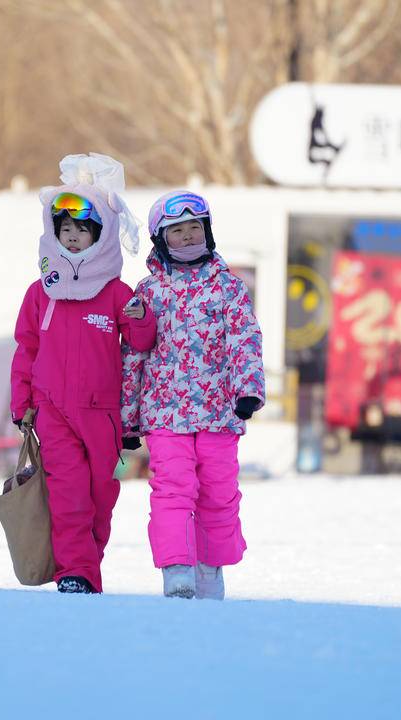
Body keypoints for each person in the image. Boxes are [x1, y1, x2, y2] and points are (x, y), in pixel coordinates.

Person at [10, 153, 156, 595]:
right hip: (53, 413)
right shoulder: (41, 294)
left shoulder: (115, 293)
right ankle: (75, 574)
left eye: (83, 231)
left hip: (103, 417)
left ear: (100, 236)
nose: (73, 238)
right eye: (66, 230)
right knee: (69, 498)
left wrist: (141, 316)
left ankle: (85, 563)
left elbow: (142, 341)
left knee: (99, 501)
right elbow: (26, 349)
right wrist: (23, 402)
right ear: (54, 234)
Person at [122, 190, 265, 600]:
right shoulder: (148, 292)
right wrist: (128, 418)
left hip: (220, 412)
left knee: (219, 491)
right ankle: (177, 569)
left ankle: (208, 568)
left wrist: (248, 390)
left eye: (193, 229)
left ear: (207, 232)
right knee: (172, 488)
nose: (187, 237)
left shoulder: (229, 288)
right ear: (160, 240)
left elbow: (245, 339)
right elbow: (133, 353)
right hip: (166, 415)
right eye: (177, 231)